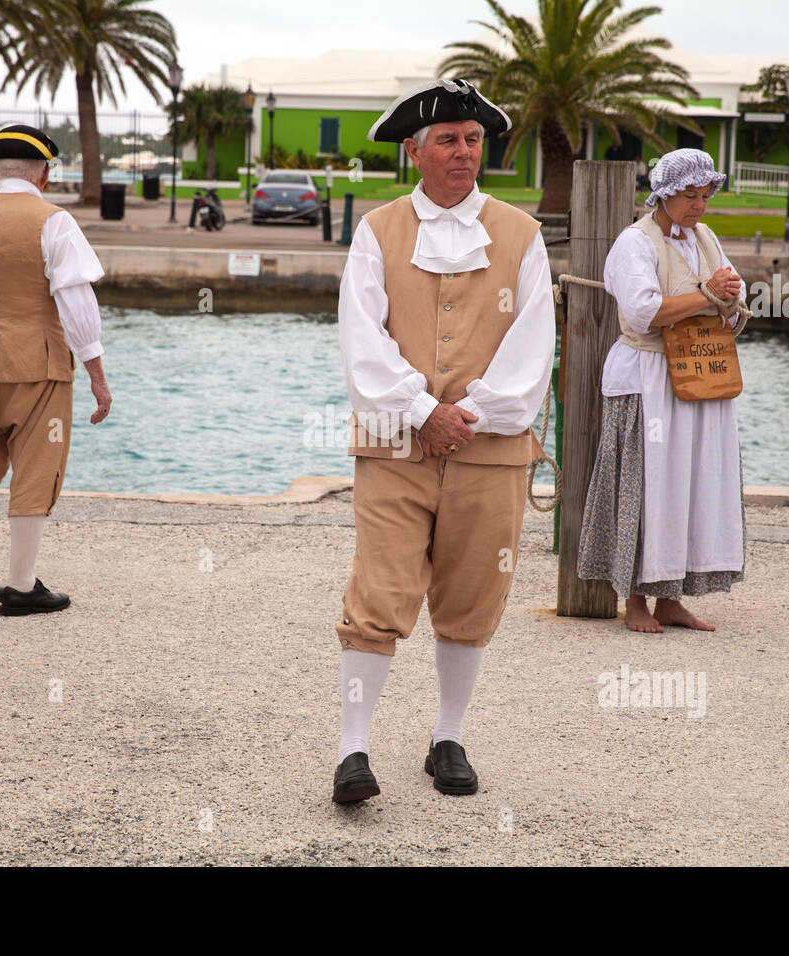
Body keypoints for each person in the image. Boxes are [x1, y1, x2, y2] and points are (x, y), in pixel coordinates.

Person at [331, 79, 555, 803]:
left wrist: (469, 415)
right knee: (378, 590)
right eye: (448, 140)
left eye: (473, 139)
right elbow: (362, 342)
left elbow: (533, 348)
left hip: (489, 451)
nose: (464, 152)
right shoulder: (378, 231)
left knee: (472, 593)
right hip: (394, 449)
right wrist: (421, 408)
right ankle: (353, 752)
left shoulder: (521, 235)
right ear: (414, 152)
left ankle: (447, 737)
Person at [0, 125, 113, 616]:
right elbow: (75, 301)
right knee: (36, 471)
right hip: (39, 363)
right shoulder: (53, 220)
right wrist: (97, 374)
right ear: (46, 174)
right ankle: (21, 585)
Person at [578, 148, 747, 633]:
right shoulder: (635, 243)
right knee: (646, 484)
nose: (699, 205)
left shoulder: (706, 238)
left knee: (692, 482)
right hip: (646, 376)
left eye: (705, 195)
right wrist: (711, 296)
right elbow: (641, 312)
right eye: (689, 196)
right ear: (665, 195)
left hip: (700, 371)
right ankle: (634, 601)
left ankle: (672, 598)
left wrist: (731, 297)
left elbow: (731, 291)